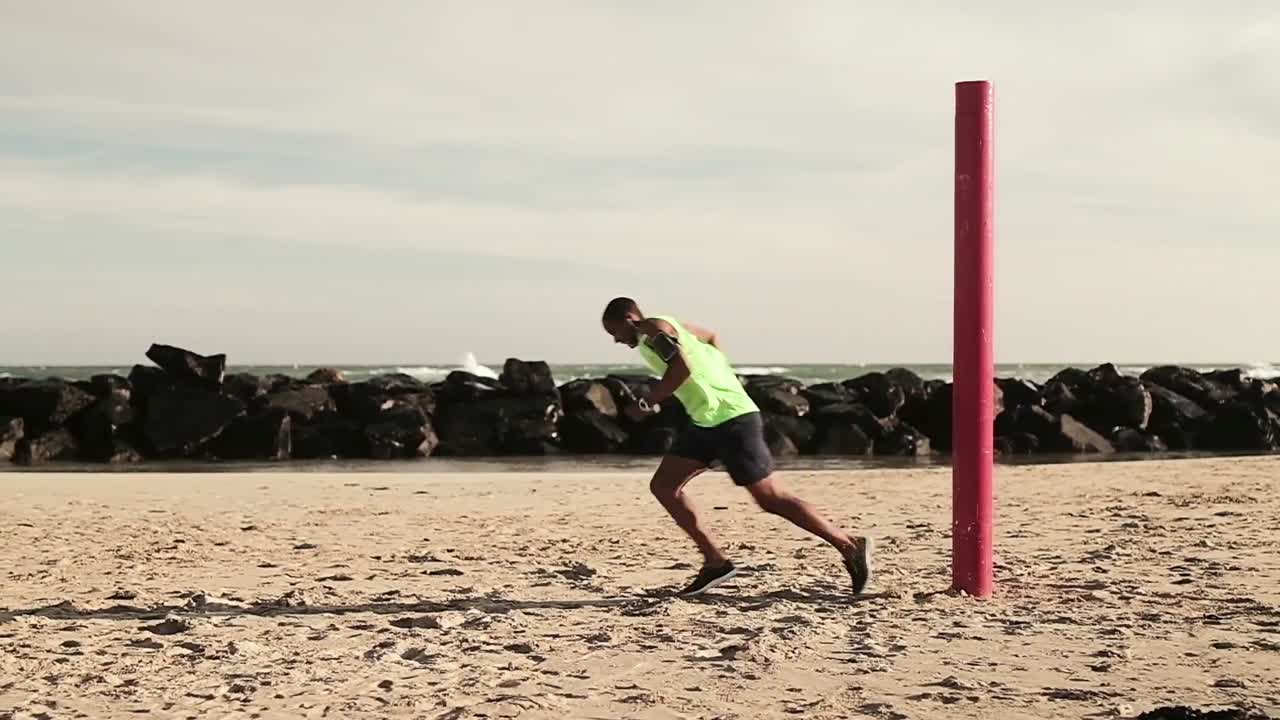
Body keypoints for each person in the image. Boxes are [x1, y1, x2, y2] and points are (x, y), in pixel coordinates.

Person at [600, 297, 872, 597]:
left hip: (732, 419)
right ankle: (715, 562)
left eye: (613, 331)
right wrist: (718, 372)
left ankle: (850, 545)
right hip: (705, 422)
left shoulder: (652, 328)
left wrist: (646, 401)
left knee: (772, 499)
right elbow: (711, 337)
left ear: (629, 318)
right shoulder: (673, 327)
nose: (615, 340)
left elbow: (682, 369)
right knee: (664, 486)